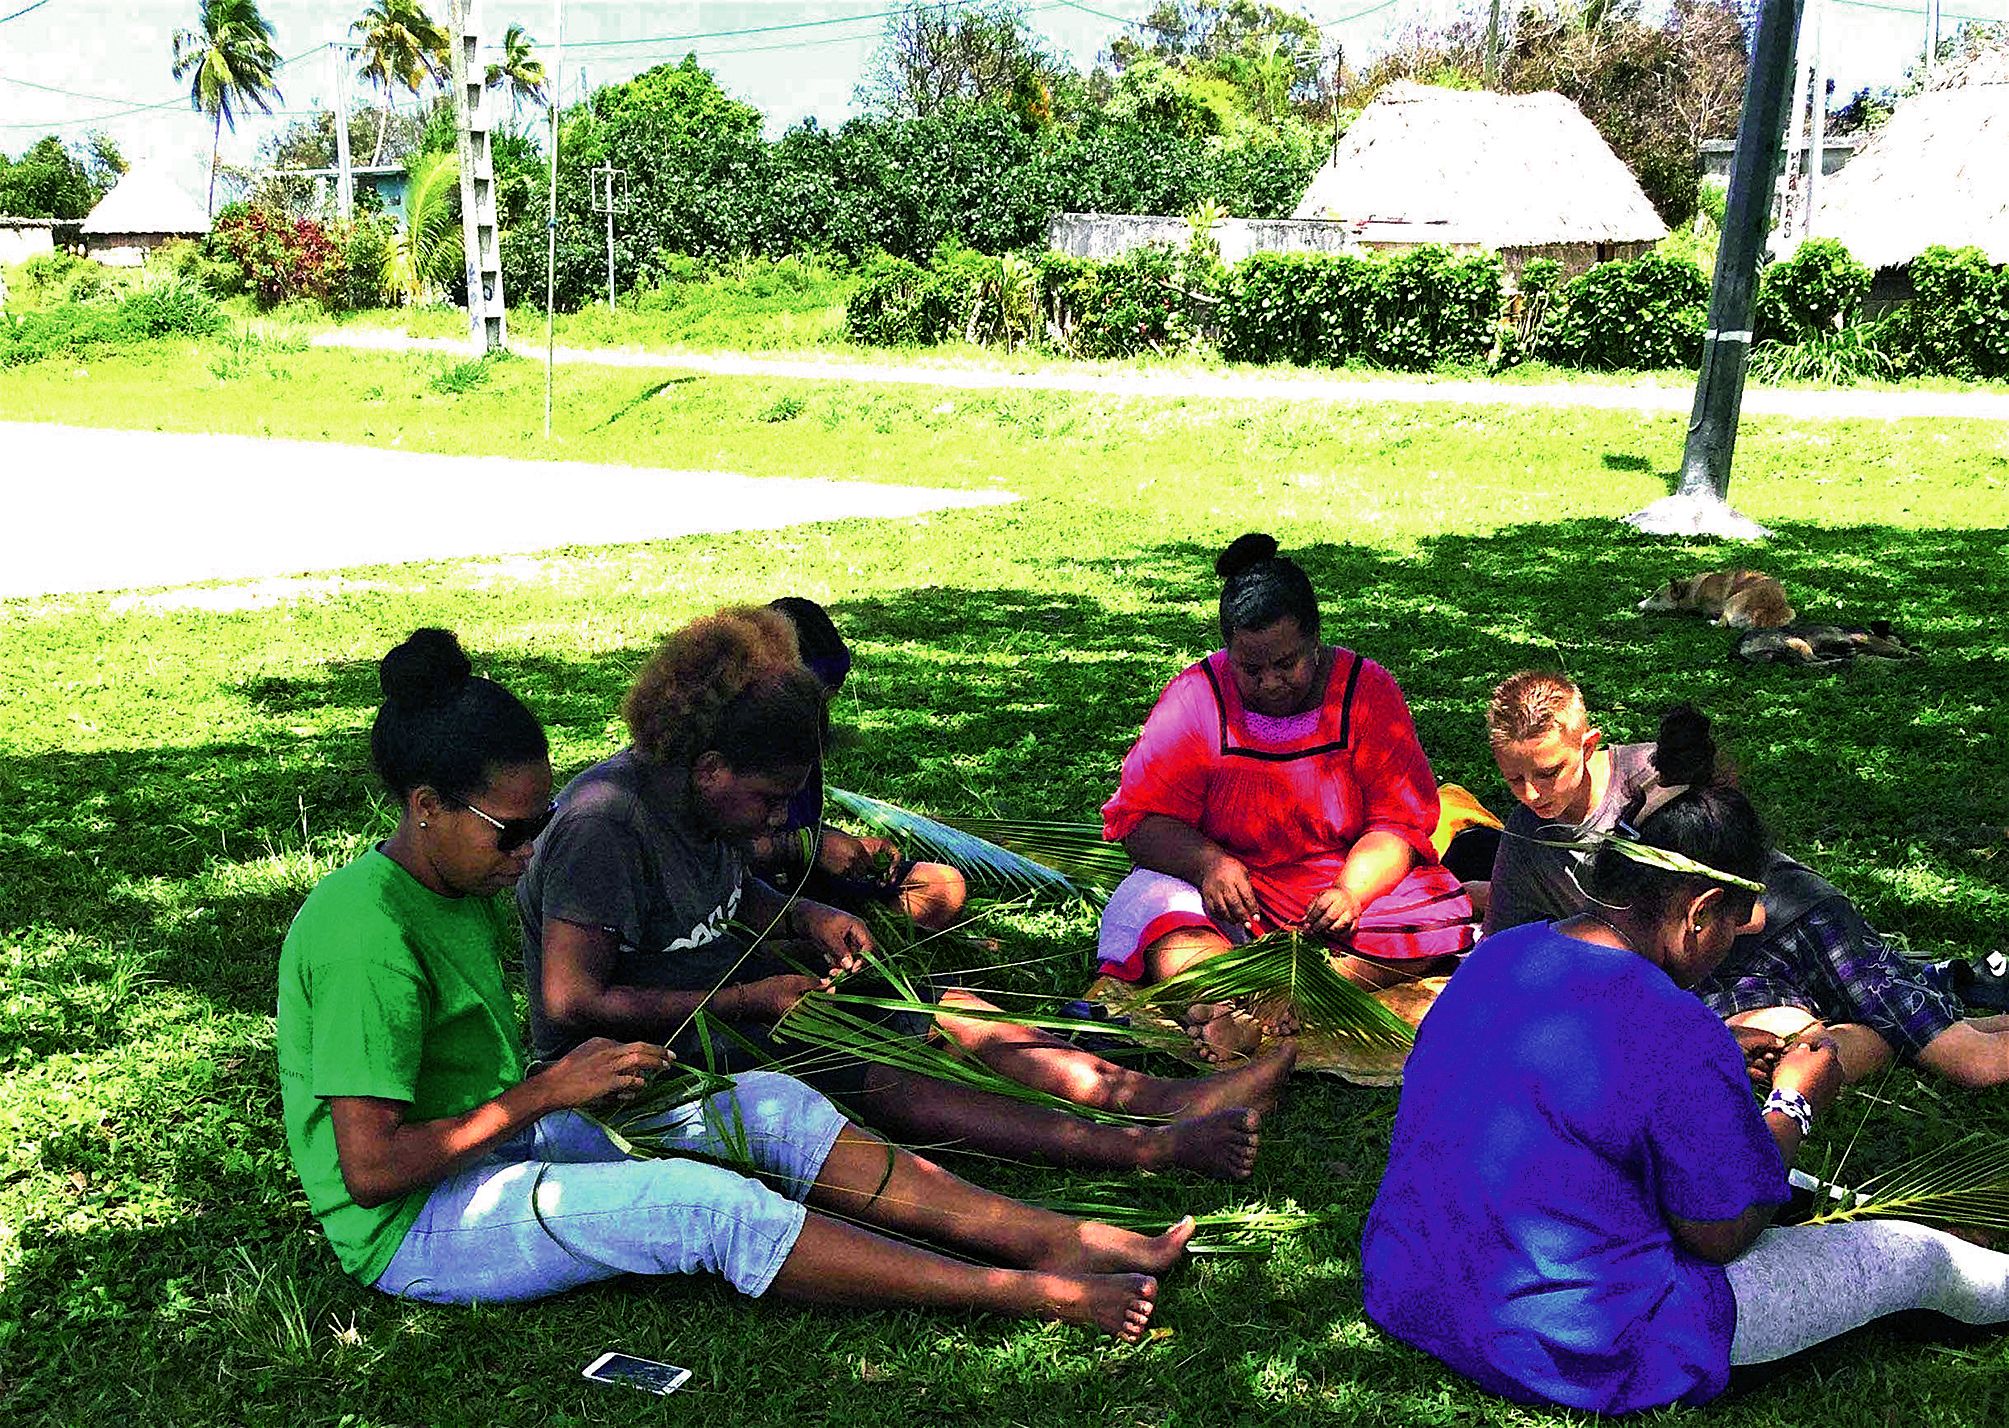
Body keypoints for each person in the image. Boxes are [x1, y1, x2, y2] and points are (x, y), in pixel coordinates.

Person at [275, 627, 1195, 1340]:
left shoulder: (458, 880)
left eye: (539, 821)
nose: (530, 851)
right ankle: (1025, 1292)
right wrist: (548, 1093)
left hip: (499, 1139)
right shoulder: (368, 937)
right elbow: (372, 1171)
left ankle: (1051, 1236)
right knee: (705, 1210)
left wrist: (544, 1101)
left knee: (770, 1108)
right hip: (416, 1224)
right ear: (426, 808)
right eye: (513, 831)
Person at [1362, 705, 2009, 1414]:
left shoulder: (1501, 959)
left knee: (1778, 1183)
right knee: (1916, 1261)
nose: (1736, 941)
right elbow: (1722, 1235)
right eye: (1735, 922)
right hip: (1570, 1340)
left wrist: (1719, 1059)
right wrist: (1795, 1102)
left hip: (1412, 1285)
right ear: (1698, 912)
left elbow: (1578, 1090)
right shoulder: (1670, 1024)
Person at [518, 606, 1295, 1181]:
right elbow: (571, 1002)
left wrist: (811, 914)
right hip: (641, 1057)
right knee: (883, 1069)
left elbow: (726, 897)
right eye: (769, 798)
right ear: (711, 766)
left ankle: (1156, 1099)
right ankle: (1142, 1149)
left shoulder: (700, 797)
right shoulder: (605, 824)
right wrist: (748, 1000)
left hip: (733, 1003)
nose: (778, 818)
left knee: (945, 1006)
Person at [1482, 670, 2009, 1088]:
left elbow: (1748, 898)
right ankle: (1903, 1017)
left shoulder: (1659, 773)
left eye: (1547, 772)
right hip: (1710, 969)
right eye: (1513, 779)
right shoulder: (1527, 840)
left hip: (1791, 920)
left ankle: (1912, 1017)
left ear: (1589, 744)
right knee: (1775, 1059)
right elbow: (1506, 951)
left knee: (1973, 1064)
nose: (1531, 794)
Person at [1095, 533, 1475, 1055]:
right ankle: (1219, 1002)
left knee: (1434, 913)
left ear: (1316, 639)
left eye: (1287, 664)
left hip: (1336, 883)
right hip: (1234, 892)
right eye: (1251, 670)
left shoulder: (1367, 692)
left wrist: (1351, 892)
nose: (1272, 682)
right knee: (1153, 910)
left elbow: (1397, 823)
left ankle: (1298, 997)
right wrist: (1209, 865)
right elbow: (1140, 819)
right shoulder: (1195, 697)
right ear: (1228, 651)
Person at [748, 596, 968, 931]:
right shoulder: (733, 747)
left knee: (943, 887)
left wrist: (852, 848)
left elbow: (799, 825)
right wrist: (812, 847)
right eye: (816, 697)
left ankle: (848, 923)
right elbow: (722, 856)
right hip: (753, 895)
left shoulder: (802, 735)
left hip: (803, 880)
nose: (822, 711)